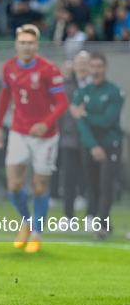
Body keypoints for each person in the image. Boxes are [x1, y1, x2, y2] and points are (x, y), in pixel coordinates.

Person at [0, 24, 69, 253]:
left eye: (31, 43)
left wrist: (45, 122)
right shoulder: (9, 67)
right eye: (22, 42)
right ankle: (27, 222)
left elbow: (62, 103)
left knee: (39, 187)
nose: (26, 46)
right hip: (18, 131)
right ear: (17, 44)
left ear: (37, 45)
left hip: (45, 136)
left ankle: (37, 232)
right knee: (14, 185)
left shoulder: (49, 69)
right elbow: (5, 95)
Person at [70, 52, 125, 240]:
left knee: (105, 184)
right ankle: (106, 224)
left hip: (111, 143)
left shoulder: (115, 91)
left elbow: (107, 120)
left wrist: (84, 115)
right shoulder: (82, 92)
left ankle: (101, 227)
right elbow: (81, 125)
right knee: (94, 187)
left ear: (105, 68)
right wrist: (93, 146)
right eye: (92, 66)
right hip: (90, 146)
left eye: (99, 66)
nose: (95, 70)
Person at [55, 51, 90, 223]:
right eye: (80, 64)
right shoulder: (65, 86)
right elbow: (59, 112)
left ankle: (91, 216)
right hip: (69, 138)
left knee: (92, 179)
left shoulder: (96, 85)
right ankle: (68, 217)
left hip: (92, 140)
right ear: (74, 66)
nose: (82, 67)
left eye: (85, 63)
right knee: (68, 178)